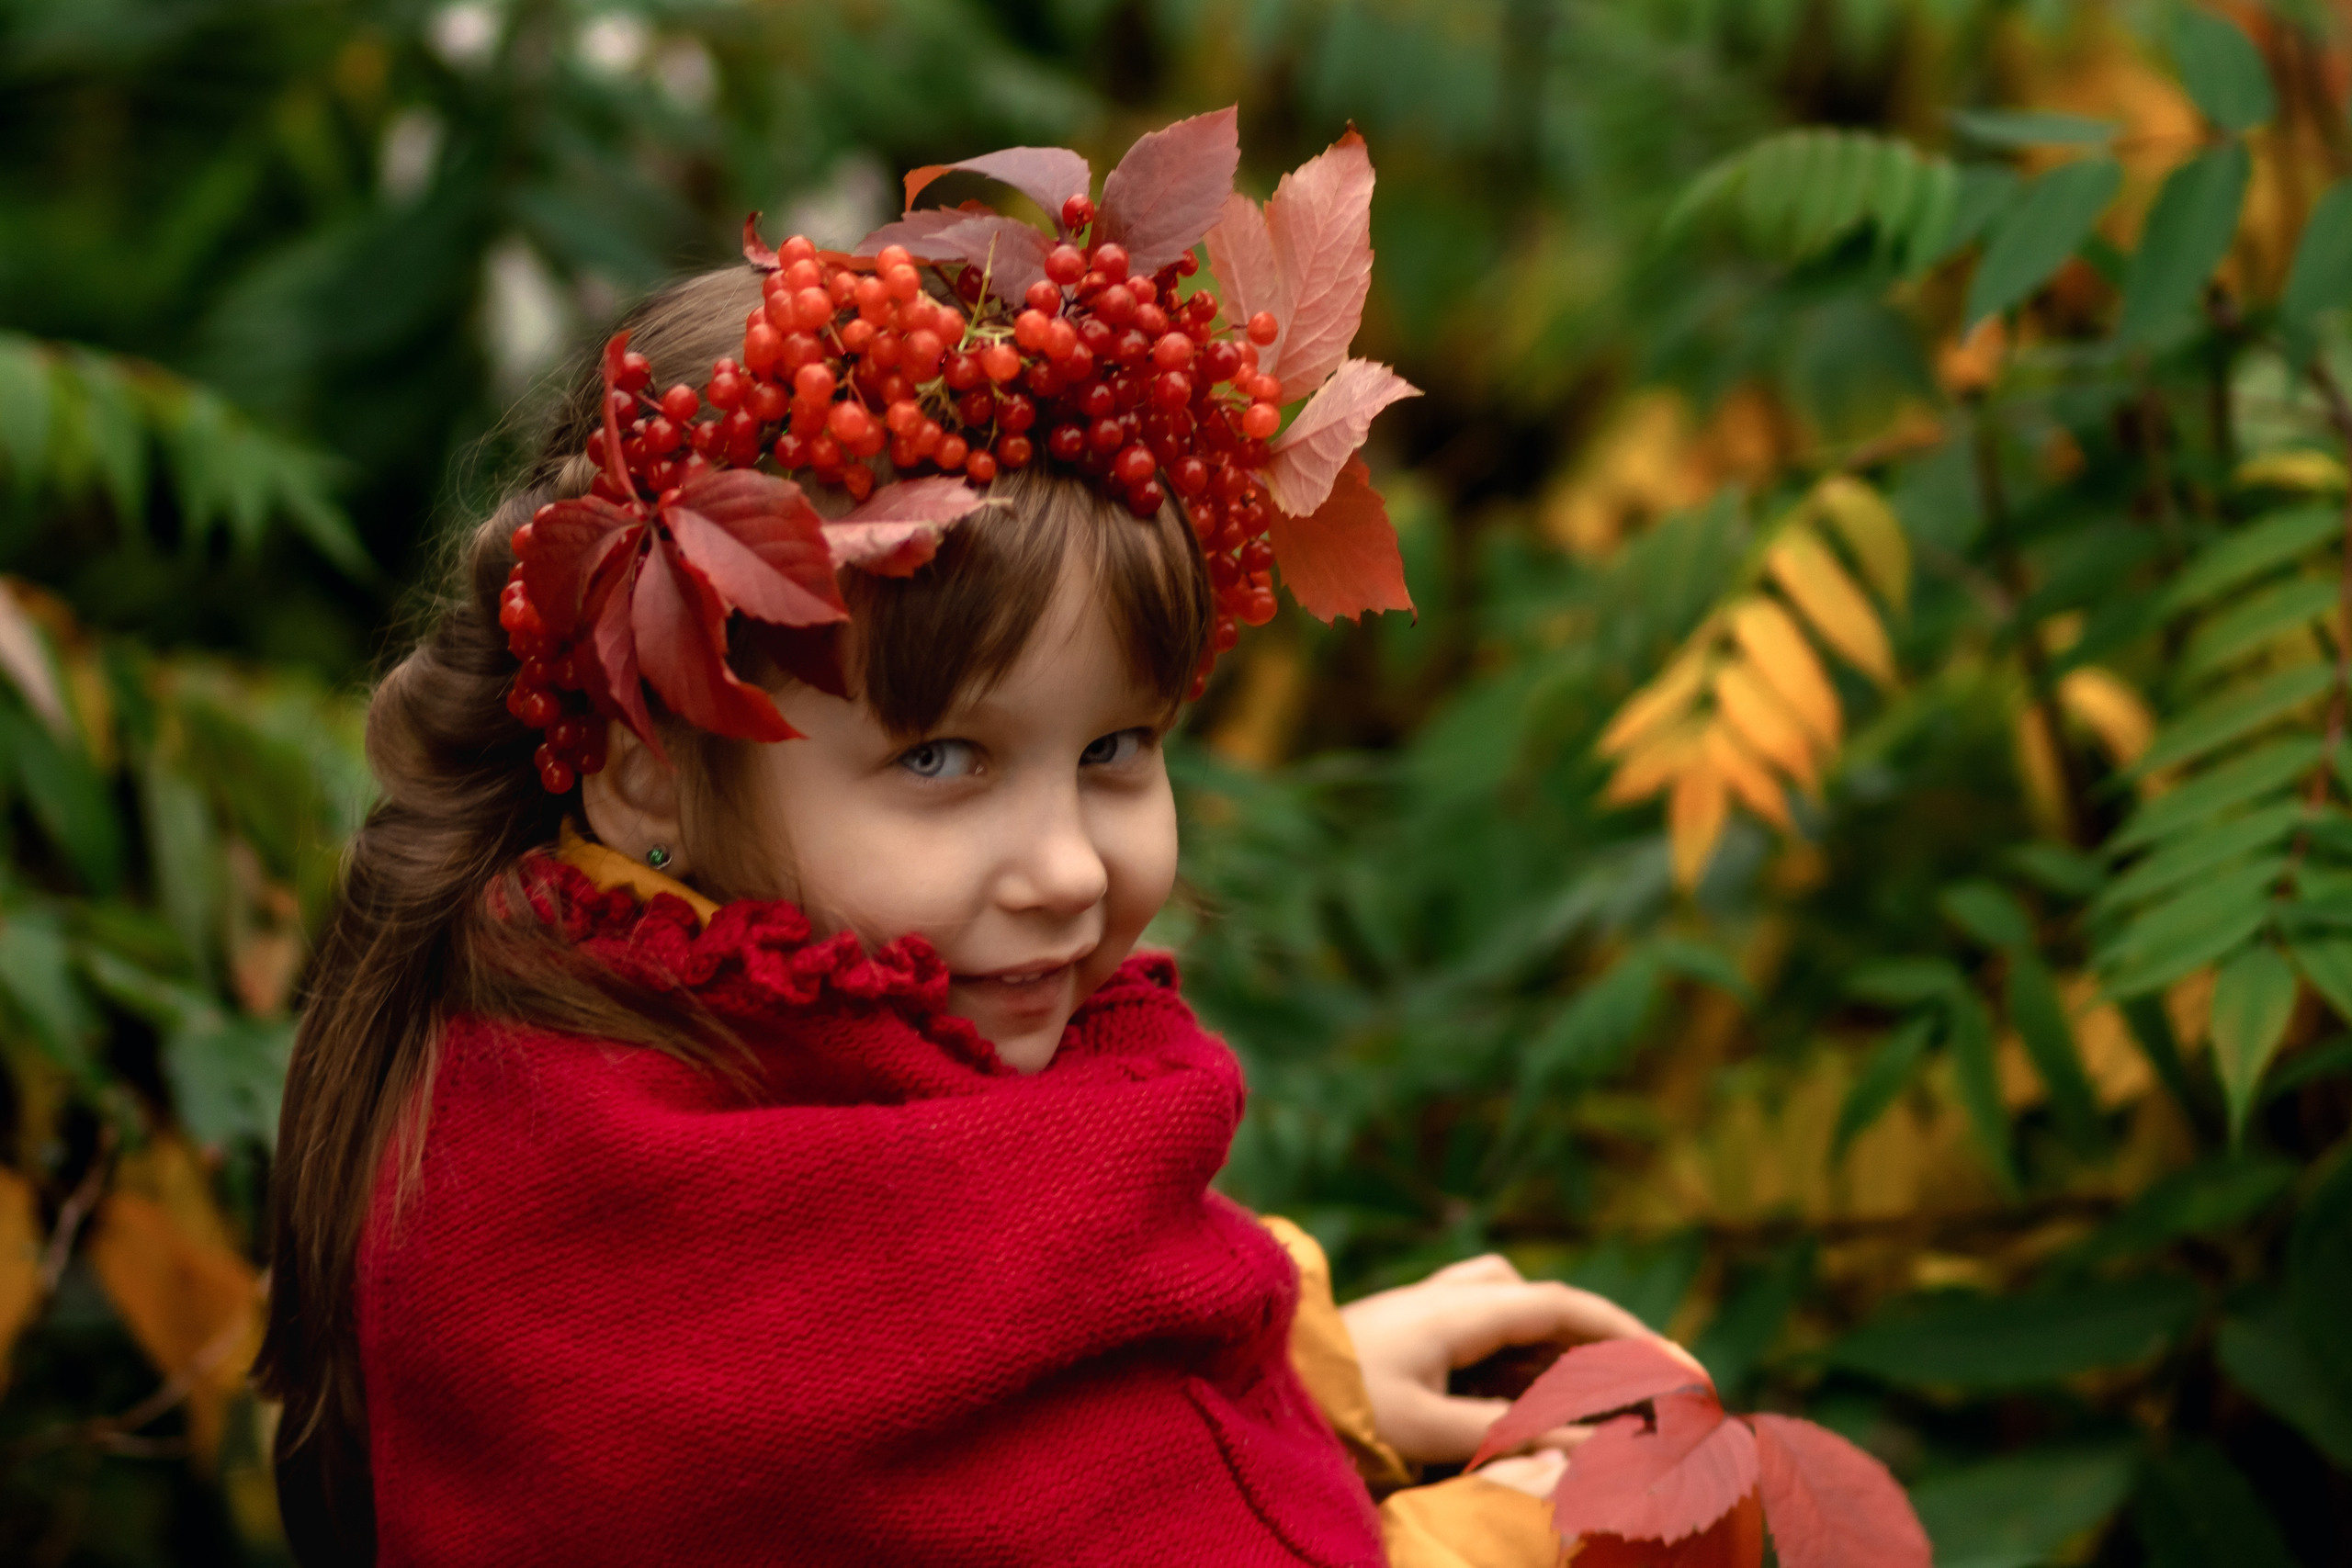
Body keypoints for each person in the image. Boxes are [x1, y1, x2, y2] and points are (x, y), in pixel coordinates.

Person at [257, 110, 1675, 1566]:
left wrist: (1285, 1360)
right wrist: (1521, 1536)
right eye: (941, 759)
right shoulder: (709, 1237)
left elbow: (998, 1417)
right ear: (644, 776)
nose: (1065, 866)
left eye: (1116, 749)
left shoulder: (564, 1078)